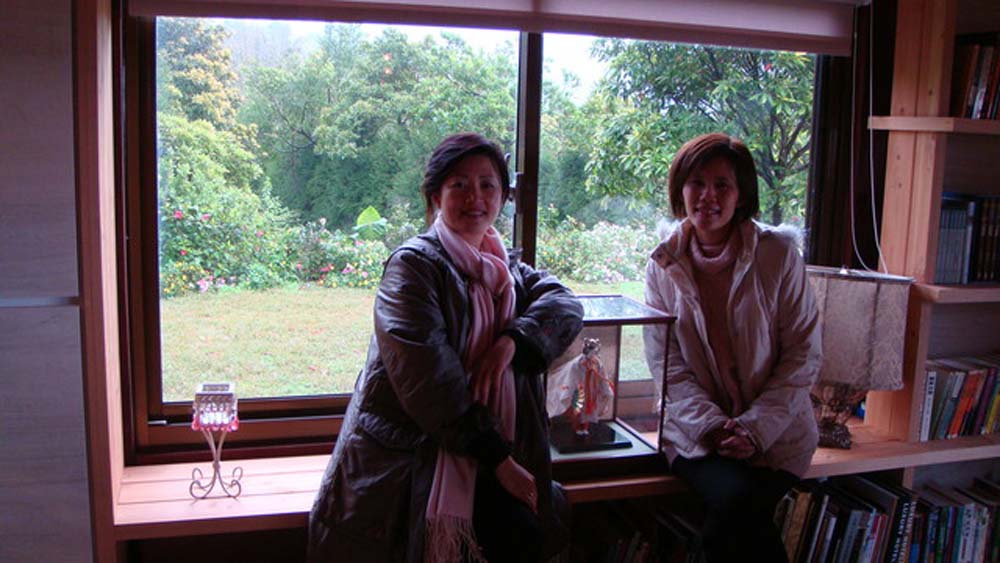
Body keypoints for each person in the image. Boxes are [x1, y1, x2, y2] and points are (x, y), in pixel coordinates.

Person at [308, 133, 584, 563]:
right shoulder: (413, 267)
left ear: (503, 196)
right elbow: (430, 384)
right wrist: (500, 461)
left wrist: (512, 341)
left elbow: (564, 304)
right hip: (410, 468)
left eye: (488, 185)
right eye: (460, 185)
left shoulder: (505, 268)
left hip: (487, 451)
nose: (476, 197)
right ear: (436, 195)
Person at [643, 132, 822, 563]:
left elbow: (802, 354)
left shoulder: (778, 254)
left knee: (730, 521)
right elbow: (666, 365)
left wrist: (754, 429)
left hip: (778, 437)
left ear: (741, 195)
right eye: (697, 183)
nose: (708, 196)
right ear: (680, 189)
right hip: (695, 435)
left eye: (722, 185)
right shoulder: (663, 262)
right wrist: (714, 427)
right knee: (736, 504)